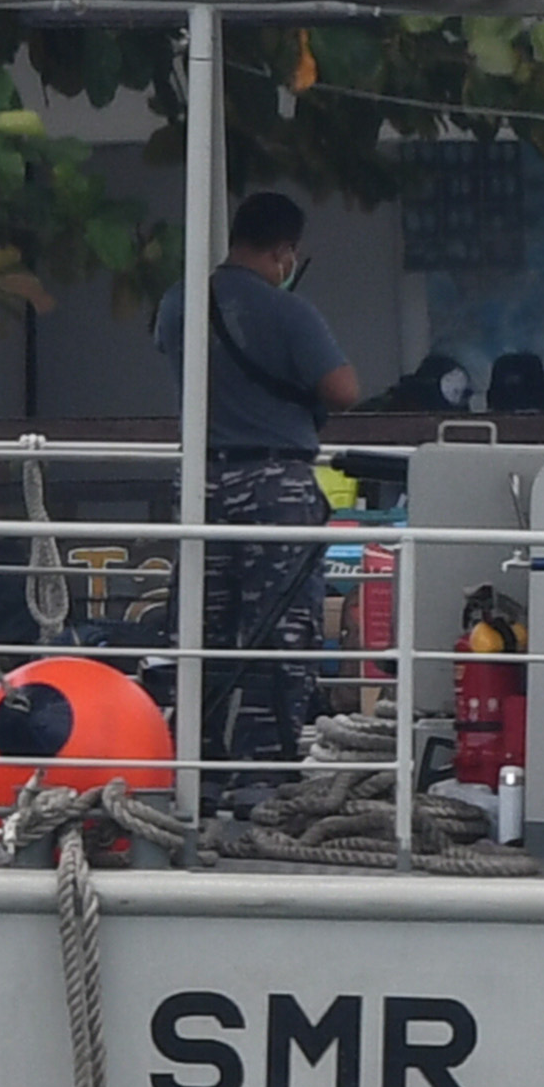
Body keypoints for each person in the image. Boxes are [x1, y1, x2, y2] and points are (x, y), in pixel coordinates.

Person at [155, 191, 359, 761]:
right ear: (284, 251)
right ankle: (264, 764)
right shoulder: (288, 311)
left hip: (202, 481)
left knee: (201, 626)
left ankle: (197, 759)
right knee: (278, 630)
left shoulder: (179, 302)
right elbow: (343, 390)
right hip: (274, 482)